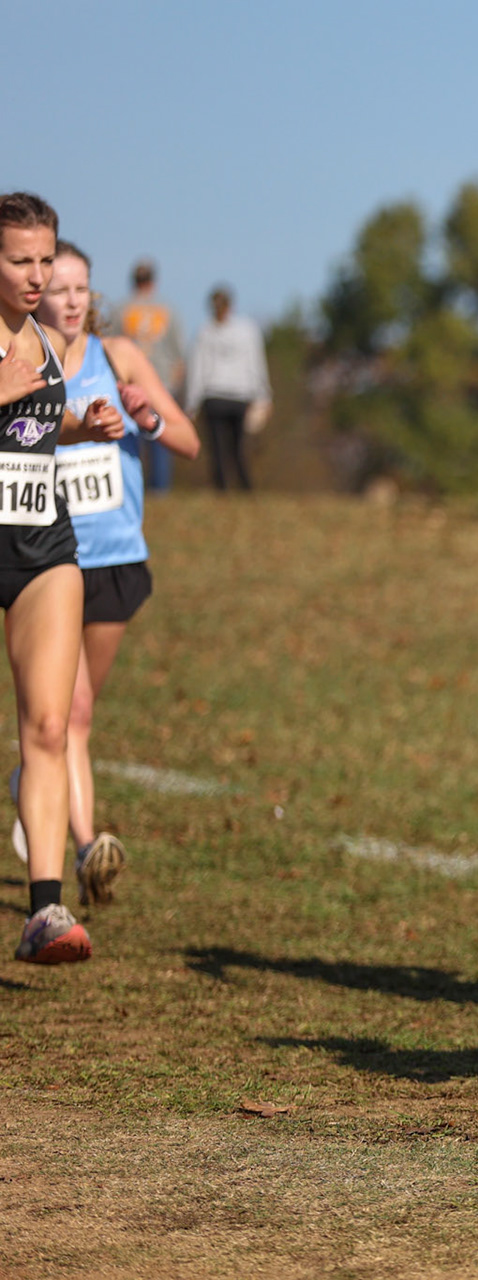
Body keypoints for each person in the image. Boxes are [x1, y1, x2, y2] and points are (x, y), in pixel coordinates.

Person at [27, 241, 200, 903]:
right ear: (34, 292)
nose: (70, 300)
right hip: (49, 556)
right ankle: (85, 849)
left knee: (78, 716)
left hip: (117, 558)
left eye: (80, 289)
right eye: (57, 288)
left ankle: (34, 784)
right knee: (66, 714)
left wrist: (144, 416)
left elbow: (187, 440)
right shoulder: (21, 363)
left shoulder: (119, 356)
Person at [0, 192, 128, 964]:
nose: (37, 275)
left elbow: (35, 424)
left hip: (44, 541)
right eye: (20, 260)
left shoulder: (44, 339)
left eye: (46, 260)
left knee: (49, 725)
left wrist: (89, 422)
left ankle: (44, 910)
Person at [184, 285, 270, 492]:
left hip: (217, 397)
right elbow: (256, 363)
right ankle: (242, 487)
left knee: (219, 447)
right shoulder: (246, 330)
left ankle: (224, 487)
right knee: (237, 445)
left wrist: (191, 403)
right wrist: (263, 393)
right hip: (237, 396)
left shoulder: (205, 332)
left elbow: (198, 369)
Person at [112, 259, 184, 493]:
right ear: (153, 280)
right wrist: (176, 383)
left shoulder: (120, 309)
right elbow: (178, 352)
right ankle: (160, 489)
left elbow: (109, 347)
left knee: (130, 438)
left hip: (129, 383)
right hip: (161, 382)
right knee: (161, 435)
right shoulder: (169, 309)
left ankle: (133, 487)